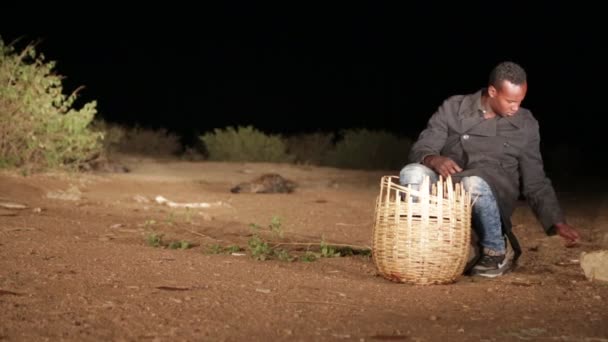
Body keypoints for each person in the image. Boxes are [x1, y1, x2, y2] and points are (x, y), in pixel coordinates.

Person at [399, 61, 580, 278]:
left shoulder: (525, 124)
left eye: (520, 101)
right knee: (412, 173)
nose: (516, 108)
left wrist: (556, 220)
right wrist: (433, 159)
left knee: (472, 183)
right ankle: (421, 244)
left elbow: (535, 179)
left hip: (490, 194)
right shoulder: (454, 108)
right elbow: (423, 146)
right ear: (493, 91)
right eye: (510, 101)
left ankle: (495, 249)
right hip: (447, 188)